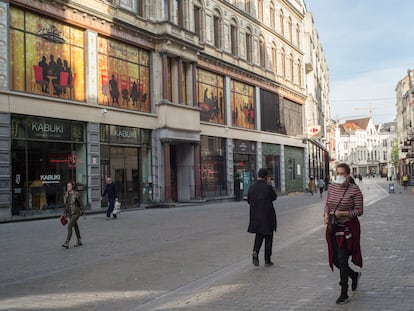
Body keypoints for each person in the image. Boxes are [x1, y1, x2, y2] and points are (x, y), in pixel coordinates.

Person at [323, 163, 363, 305]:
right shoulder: (332, 187)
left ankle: (344, 293)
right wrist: (326, 215)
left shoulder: (355, 190)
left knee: (342, 259)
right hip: (333, 227)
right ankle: (353, 274)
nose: (339, 176)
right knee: (335, 259)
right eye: (337, 173)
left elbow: (359, 210)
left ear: (348, 175)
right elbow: (328, 203)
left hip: (347, 229)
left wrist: (343, 213)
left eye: (342, 174)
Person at [247, 168, 277, 267]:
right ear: (266, 177)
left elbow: (248, 200)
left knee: (259, 236)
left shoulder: (252, 187)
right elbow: (274, 197)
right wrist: (270, 185)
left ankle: (255, 251)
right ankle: (267, 260)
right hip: (267, 216)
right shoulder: (267, 187)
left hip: (256, 216)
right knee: (268, 237)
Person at [62, 182, 84, 248]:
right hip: (69, 213)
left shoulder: (76, 194)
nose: (68, 187)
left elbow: (81, 203)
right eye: (67, 186)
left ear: (72, 187)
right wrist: (64, 214)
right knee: (75, 226)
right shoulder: (66, 194)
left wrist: (83, 212)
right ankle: (79, 240)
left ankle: (67, 242)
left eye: (69, 186)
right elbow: (66, 205)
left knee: (69, 226)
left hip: (76, 212)